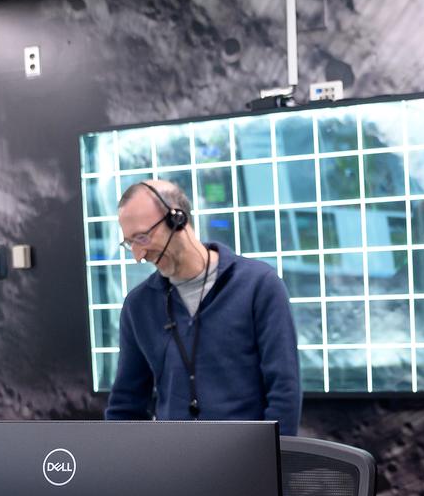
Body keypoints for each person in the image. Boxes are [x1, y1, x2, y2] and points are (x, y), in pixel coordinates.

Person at [105, 179, 301, 436]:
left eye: (142, 237)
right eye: (131, 243)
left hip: (249, 464)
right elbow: (125, 406)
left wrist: (273, 463)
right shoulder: (138, 306)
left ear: (178, 220)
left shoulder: (259, 285)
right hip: (174, 468)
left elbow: (284, 390)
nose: (138, 255)